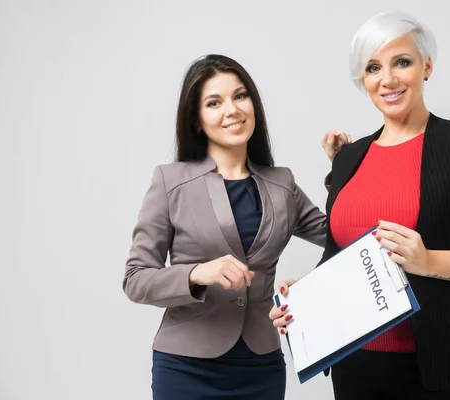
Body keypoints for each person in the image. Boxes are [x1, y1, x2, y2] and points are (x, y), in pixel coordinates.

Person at [270, 12, 450, 400]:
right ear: (363, 80)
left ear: (427, 66)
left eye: (401, 62)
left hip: (433, 366)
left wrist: (428, 262)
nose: (387, 79)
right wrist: (301, 297)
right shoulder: (348, 157)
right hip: (352, 362)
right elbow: (340, 254)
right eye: (373, 67)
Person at [122, 54, 350, 399]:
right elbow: (135, 279)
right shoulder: (170, 182)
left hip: (261, 365)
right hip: (186, 366)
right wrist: (197, 273)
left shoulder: (281, 183)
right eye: (214, 102)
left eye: (240, 96)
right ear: (197, 120)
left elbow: (343, 236)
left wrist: (344, 171)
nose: (232, 110)